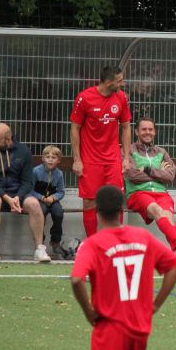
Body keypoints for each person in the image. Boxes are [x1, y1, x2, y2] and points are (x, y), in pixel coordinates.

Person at [71, 185, 176, 350]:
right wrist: (156, 304)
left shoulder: (94, 244)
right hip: (140, 327)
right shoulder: (142, 237)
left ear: (96, 211)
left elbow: (76, 280)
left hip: (111, 328)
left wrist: (89, 313)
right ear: (122, 208)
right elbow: (174, 265)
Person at [70, 65, 132, 237]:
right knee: (90, 202)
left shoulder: (121, 97)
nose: (123, 84)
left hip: (113, 159)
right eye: (119, 81)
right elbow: (75, 128)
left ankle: (115, 242)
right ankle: (92, 243)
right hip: (90, 160)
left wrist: (126, 158)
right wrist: (77, 159)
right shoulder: (84, 98)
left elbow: (126, 127)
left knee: (116, 201)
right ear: (108, 82)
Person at [125, 118, 176, 261]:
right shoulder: (128, 150)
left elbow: (170, 176)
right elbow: (132, 175)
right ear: (136, 132)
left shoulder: (161, 152)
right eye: (144, 129)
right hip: (138, 193)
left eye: (150, 129)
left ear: (155, 132)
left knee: (167, 215)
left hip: (161, 193)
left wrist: (147, 170)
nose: (148, 132)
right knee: (158, 211)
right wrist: (159, 173)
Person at [0, 123, 50, 262]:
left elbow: (28, 181)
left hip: (18, 193)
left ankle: (40, 250)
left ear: (8, 138)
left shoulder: (24, 151)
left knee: (35, 204)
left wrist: (17, 197)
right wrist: (7, 198)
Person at [31, 145, 66, 258]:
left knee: (58, 213)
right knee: (41, 212)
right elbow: (30, 189)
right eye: (47, 157)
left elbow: (61, 191)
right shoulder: (36, 171)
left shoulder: (59, 174)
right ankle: (40, 241)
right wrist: (41, 198)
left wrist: (54, 198)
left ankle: (55, 241)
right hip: (39, 199)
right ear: (43, 158)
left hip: (52, 200)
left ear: (58, 160)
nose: (50, 159)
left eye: (53, 157)